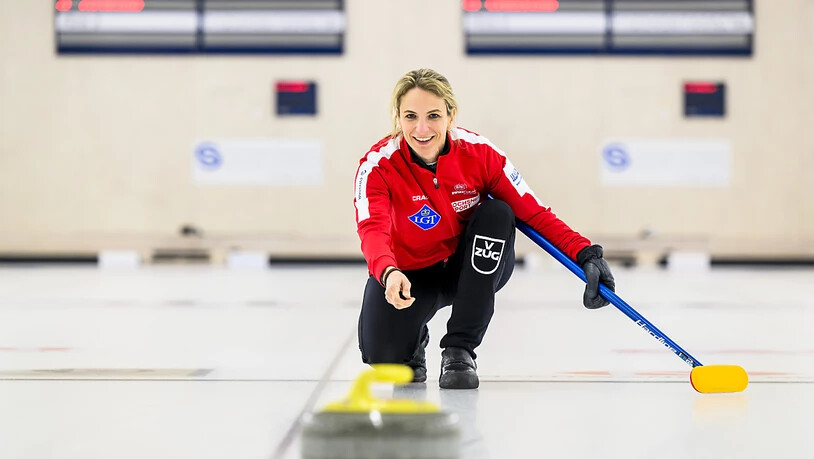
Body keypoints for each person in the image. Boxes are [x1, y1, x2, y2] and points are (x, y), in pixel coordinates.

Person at [353, 68, 615, 390]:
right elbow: (372, 228)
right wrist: (388, 272)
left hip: (472, 267)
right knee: (383, 357)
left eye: (433, 116)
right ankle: (413, 341)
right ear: (398, 118)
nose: (422, 129)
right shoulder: (378, 166)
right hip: (411, 273)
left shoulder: (480, 153)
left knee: (498, 213)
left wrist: (585, 253)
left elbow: (534, 212)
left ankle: (459, 349)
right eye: (411, 116)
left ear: (451, 116)